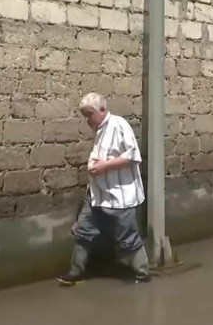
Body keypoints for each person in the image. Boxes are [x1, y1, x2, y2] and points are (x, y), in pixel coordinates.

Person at [58, 93, 151, 286]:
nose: (87, 120)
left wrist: (103, 167)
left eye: (89, 114)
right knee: (83, 232)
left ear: (102, 110)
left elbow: (133, 155)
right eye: (85, 116)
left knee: (127, 238)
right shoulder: (100, 129)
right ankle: (76, 272)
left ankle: (142, 273)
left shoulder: (118, 125)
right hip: (97, 195)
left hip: (120, 196)